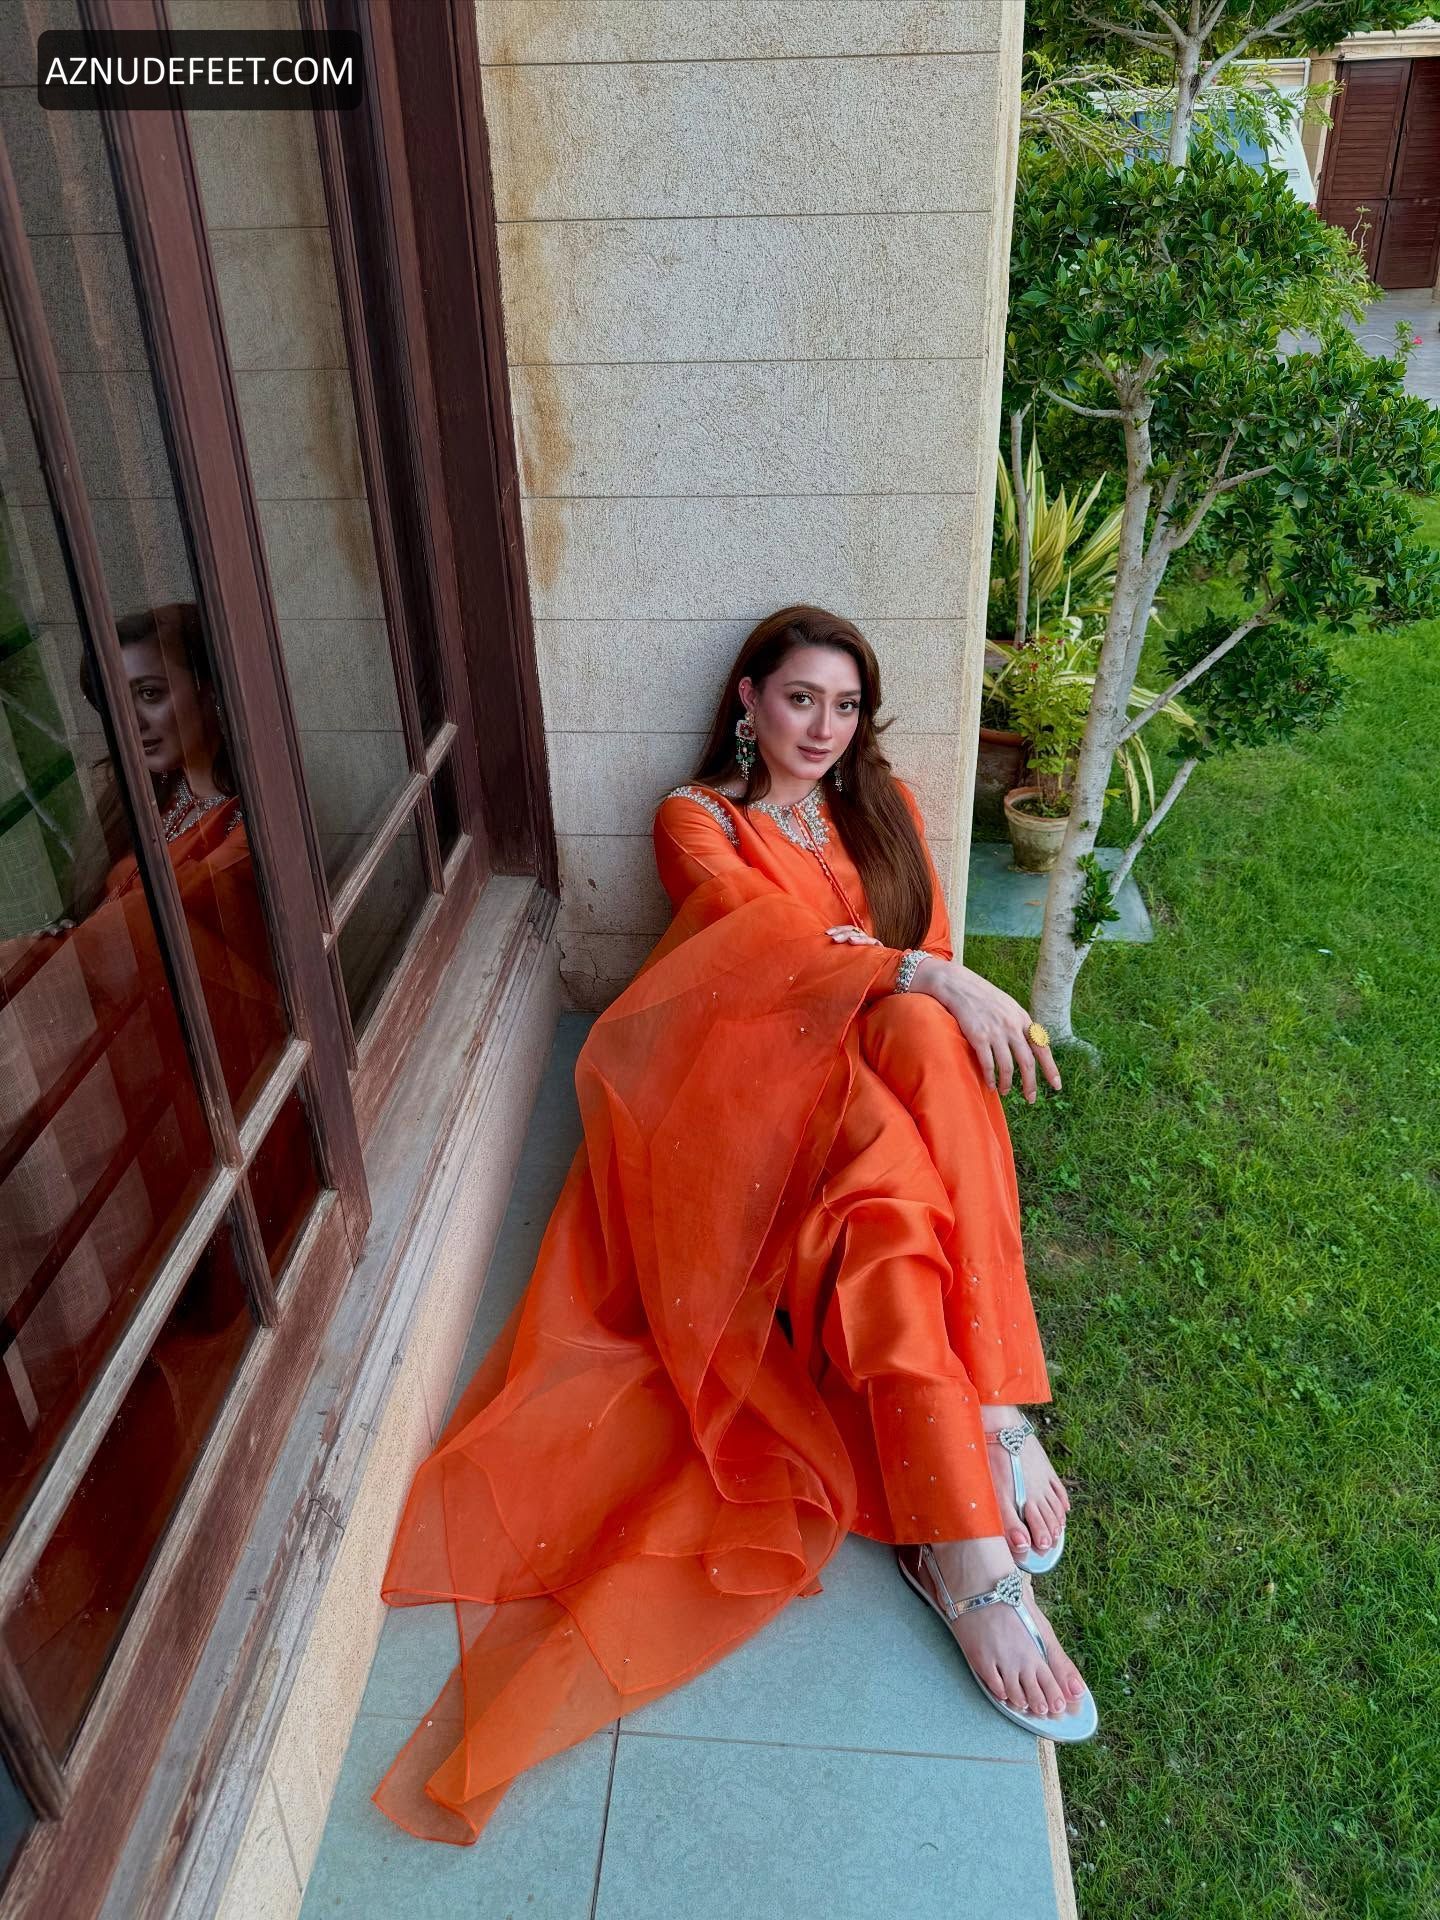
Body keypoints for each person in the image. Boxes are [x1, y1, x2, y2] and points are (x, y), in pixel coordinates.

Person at [375, 605, 1097, 1849]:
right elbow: (761, 949)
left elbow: (920, 968)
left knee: (910, 1114)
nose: (825, 728)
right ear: (749, 699)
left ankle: (976, 1448)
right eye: (801, 698)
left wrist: (921, 978)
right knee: (899, 1118)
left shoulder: (888, 808)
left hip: (884, 1073)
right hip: (748, 1093)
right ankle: (972, 1532)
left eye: (847, 706)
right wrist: (921, 972)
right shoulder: (698, 817)